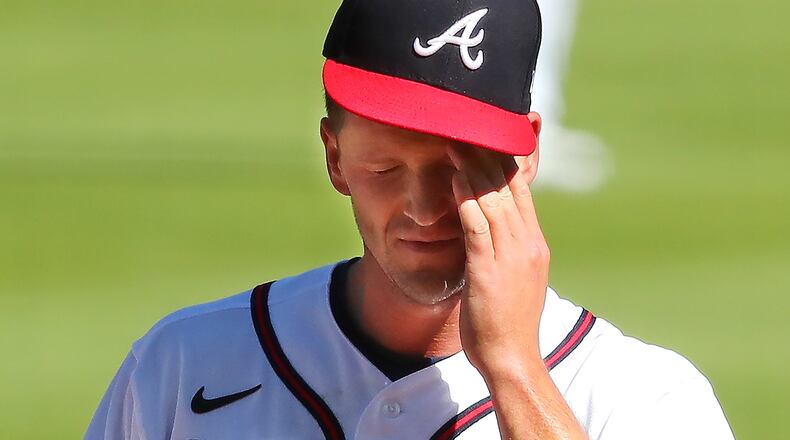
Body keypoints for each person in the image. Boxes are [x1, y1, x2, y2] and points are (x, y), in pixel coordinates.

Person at [86, 1, 733, 439]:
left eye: (459, 168)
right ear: (334, 158)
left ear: (528, 154)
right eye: (385, 169)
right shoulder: (182, 365)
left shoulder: (644, 398)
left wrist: (514, 369)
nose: (425, 208)